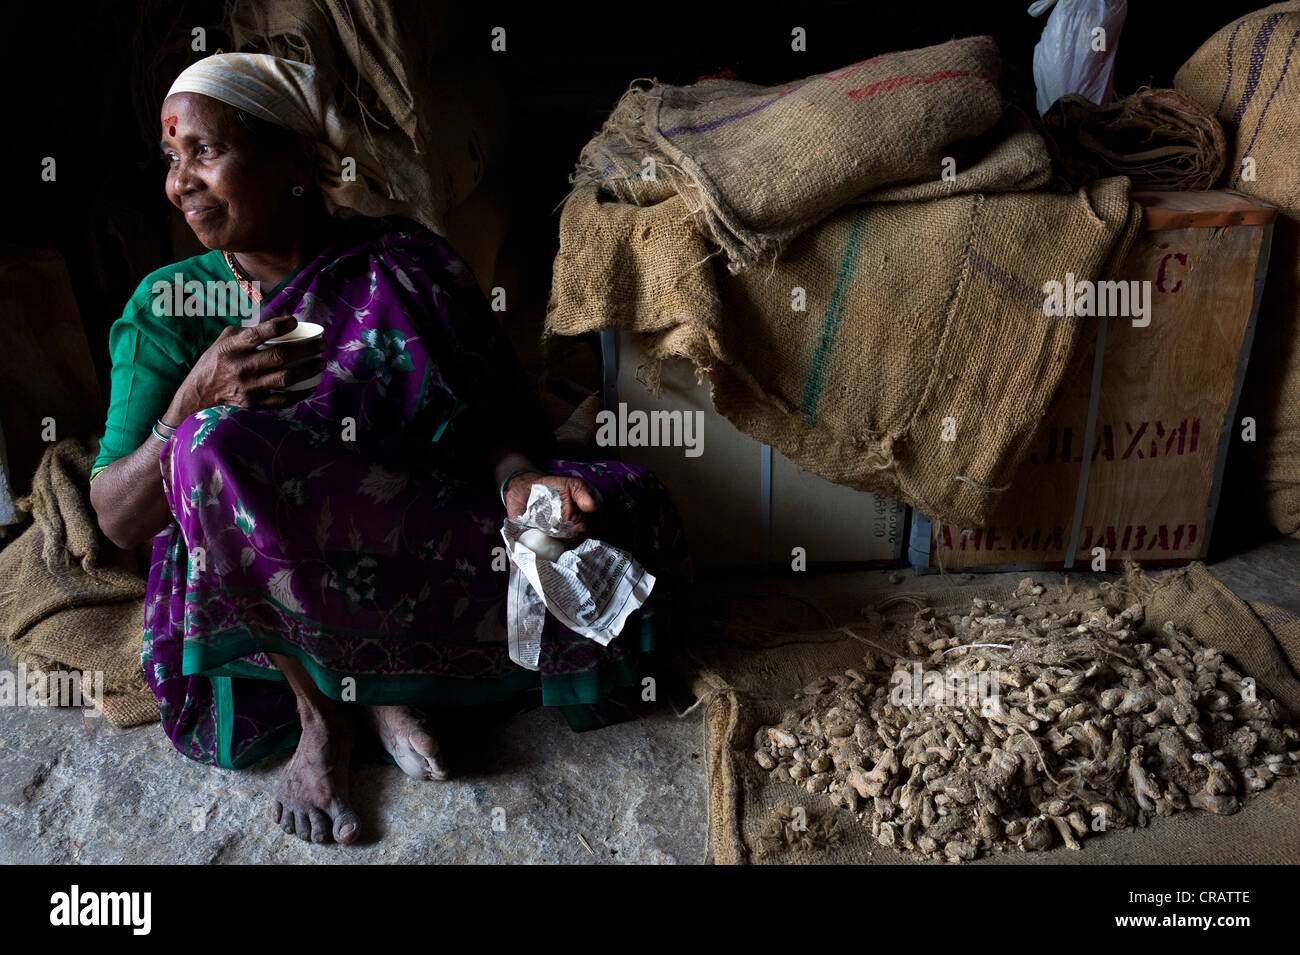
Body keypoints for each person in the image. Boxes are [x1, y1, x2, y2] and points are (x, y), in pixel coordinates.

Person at [88, 53, 687, 845]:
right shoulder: (169, 306)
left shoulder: (406, 261)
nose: (181, 182)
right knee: (208, 446)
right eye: (172, 158)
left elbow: (497, 421)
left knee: (616, 519)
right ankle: (326, 714)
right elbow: (119, 520)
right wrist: (193, 395)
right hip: (261, 582)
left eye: (205, 151)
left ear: (297, 162)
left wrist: (523, 483)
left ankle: (381, 680)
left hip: (416, 545)